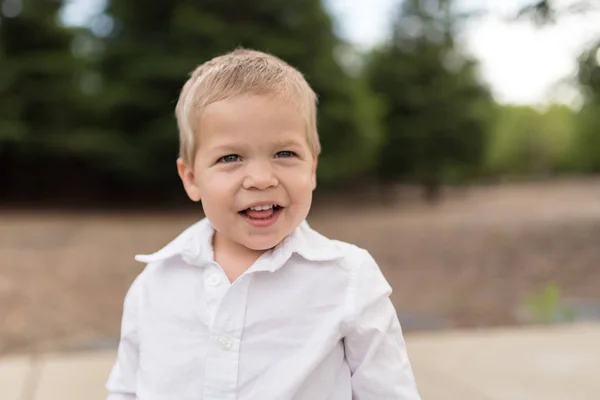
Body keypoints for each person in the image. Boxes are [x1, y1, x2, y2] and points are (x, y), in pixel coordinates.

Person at [106, 48, 421, 400]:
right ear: (192, 178)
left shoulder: (348, 277)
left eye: (284, 154)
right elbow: (127, 390)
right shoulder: (155, 284)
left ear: (312, 168)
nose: (260, 178)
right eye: (230, 158)